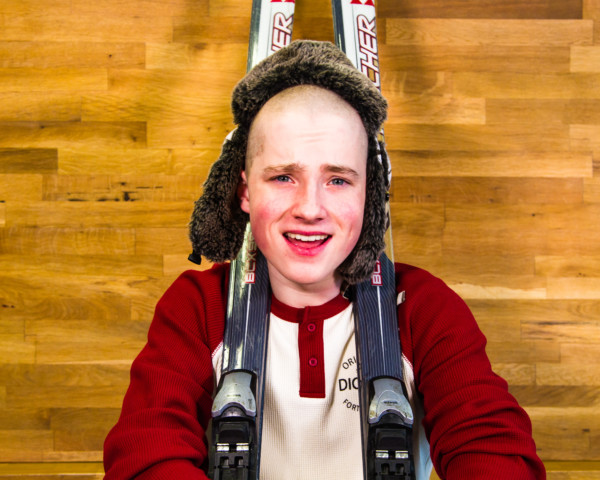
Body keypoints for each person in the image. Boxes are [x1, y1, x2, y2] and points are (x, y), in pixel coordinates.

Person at [103, 40, 546, 480]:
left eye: (337, 180)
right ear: (244, 191)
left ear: (369, 195)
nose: (310, 208)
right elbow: (145, 453)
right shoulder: (198, 308)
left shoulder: (423, 309)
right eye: (283, 177)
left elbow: (493, 449)